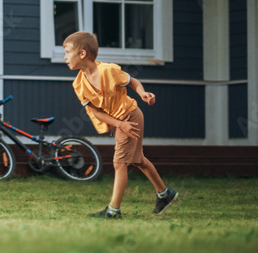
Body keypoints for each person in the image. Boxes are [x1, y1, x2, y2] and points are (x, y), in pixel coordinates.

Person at [62, 31, 178, 218]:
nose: (65, 57)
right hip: (120, 122)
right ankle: (165, 194)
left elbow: (133, 82)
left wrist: (142, 93)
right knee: (137, 159)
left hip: (131, 116)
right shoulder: (79, 84)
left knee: (119, 162)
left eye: (67, 52)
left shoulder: (109, 70)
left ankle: (113, 210)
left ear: (82, 54)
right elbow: (96, 112)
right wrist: (119, 124)